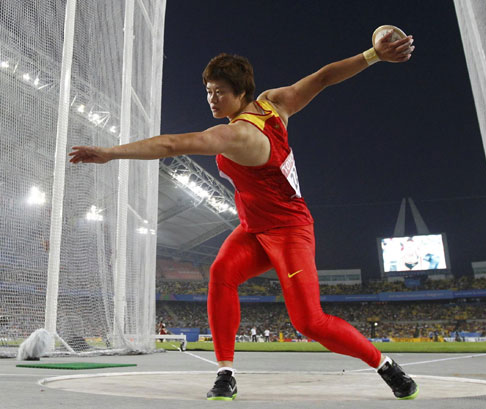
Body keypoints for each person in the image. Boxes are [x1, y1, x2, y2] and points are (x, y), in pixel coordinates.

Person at [69, 28, 417, 401]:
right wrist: (372, 55)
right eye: (208, 91)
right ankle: (225, 374)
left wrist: (111, 152)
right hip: (253, 230)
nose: (212, 99)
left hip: (289, 231)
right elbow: (322, 78)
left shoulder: (239, 136)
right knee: (220, 273)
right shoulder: (274, 103)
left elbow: (171, 144)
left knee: (309, 322)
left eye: (220, 92)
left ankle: (385, 365)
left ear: (241, 93)